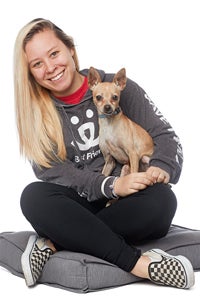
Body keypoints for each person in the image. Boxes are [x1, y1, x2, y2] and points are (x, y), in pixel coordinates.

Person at [14, 18, 195, 289]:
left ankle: (55, 242)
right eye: (37, 64)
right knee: (33, 197)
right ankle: (141, 265)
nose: (50, 68)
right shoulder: (36, 114)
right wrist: (111, 185)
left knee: (162, 201)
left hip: (127, 205)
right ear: (30, 72)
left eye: (54, 53)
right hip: (79, 201)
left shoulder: (117, 86)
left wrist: (160, 166)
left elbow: (165, 136)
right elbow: (53, 173)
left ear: (70, 49)